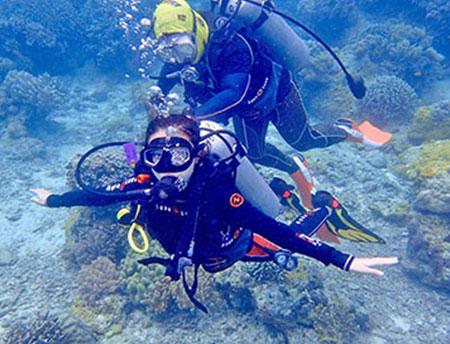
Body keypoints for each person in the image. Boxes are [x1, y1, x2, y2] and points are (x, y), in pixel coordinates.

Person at [31, 114, 397, 311]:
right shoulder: (144, 182)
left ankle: (323, 208)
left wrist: (341, 260)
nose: (168, 169)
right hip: (204, 257)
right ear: (147, 157)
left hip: (235, 247)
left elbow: (277, 230)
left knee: (281, 248)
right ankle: (281, 188)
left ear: (197, 156)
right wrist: (54, 200)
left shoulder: (218, 194)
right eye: (158, 157)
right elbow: (96, 196)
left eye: (179, 156)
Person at [150, 0, 389, 197]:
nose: (178, 57)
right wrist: (156, 112)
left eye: (181, 46)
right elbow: (160, 92)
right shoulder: (178, 60)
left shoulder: (231, 41)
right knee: (254, 153)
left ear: (195, 30)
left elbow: (235, 92)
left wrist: (191, 118)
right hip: (247, 110)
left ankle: (346, 129)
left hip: (278, 93)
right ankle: (294, 165)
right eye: (168, 50)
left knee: (303, 139)